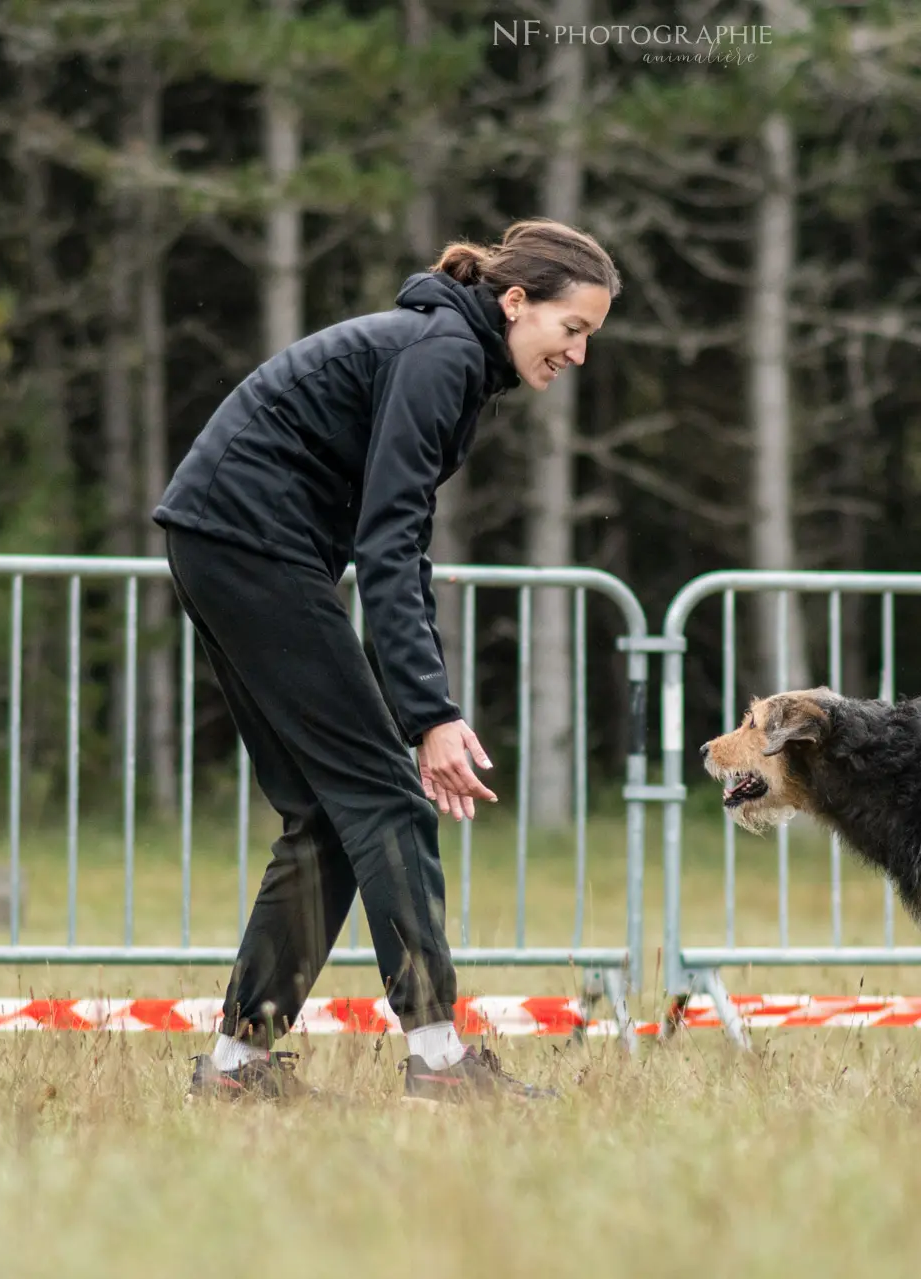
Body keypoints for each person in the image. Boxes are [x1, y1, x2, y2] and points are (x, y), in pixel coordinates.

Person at [153, 218, 618, 1103]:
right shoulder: (442, 355)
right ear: (516, 303)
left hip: (225, 539)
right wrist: (429, 715)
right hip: (248, 544)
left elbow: (399, 540)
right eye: (573, 329)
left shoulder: (452, 357)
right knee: (386, 798)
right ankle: (441, 1059)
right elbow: (391, 542)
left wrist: (423, 704)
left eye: (590, 336)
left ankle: (236, 1069)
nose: (579, 355)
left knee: (329, 817)